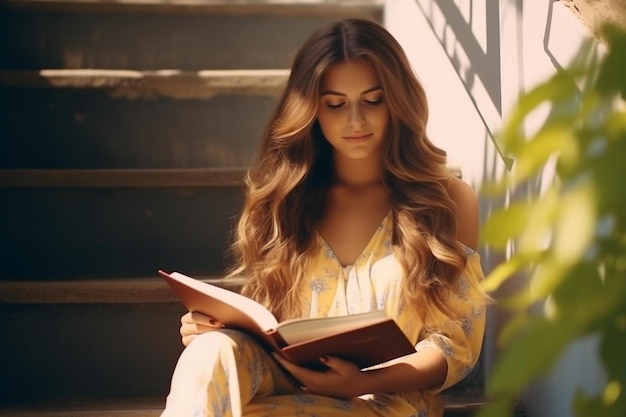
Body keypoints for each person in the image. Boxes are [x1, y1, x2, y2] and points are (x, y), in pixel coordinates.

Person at [160, 17, 489, 417]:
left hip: (384, 400)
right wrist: (213, 328)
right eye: (335, 104)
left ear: (397, 101)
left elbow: (453, 344)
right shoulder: (284, 200)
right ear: (312, 109)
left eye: (373, 100)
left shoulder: (447, 201)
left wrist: (366, 381)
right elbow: (269, 323)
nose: (355, 121)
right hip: (288, 378)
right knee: (211, 351)